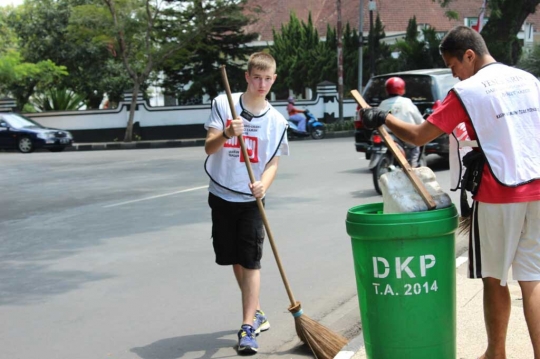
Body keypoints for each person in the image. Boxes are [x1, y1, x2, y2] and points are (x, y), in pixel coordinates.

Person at [361, 25, 540, 359]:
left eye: (454, 66)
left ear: (469, 55)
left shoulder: (469, 92)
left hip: (499, 192)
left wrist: (383, 117)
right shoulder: (528, 80)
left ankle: (496, 353)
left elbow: (417, 136)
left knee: (494, 277)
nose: (455, 75)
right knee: (532, 279)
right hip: (538, 189)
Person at [204, 52, 289, 354]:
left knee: (251, 260)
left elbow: (273, 164)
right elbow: (208, 147)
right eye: (257, 77)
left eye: (268, 78)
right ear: (247, 77)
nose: (262, 83)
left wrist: (262, 185)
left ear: (274, 79)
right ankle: (257, 310)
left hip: (252, 200)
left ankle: (247, 327)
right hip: (221, 193)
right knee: (235, 259)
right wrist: (227, 132)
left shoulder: (277, 121)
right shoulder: (222, 104)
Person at [377, 77, 424, 167]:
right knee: (415, 146)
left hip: (387, 134)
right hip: (404, 134)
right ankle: (413, 166)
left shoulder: (383, 103)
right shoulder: (406, 102)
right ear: (401, 89)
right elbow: (418, 118)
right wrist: (423, 123)